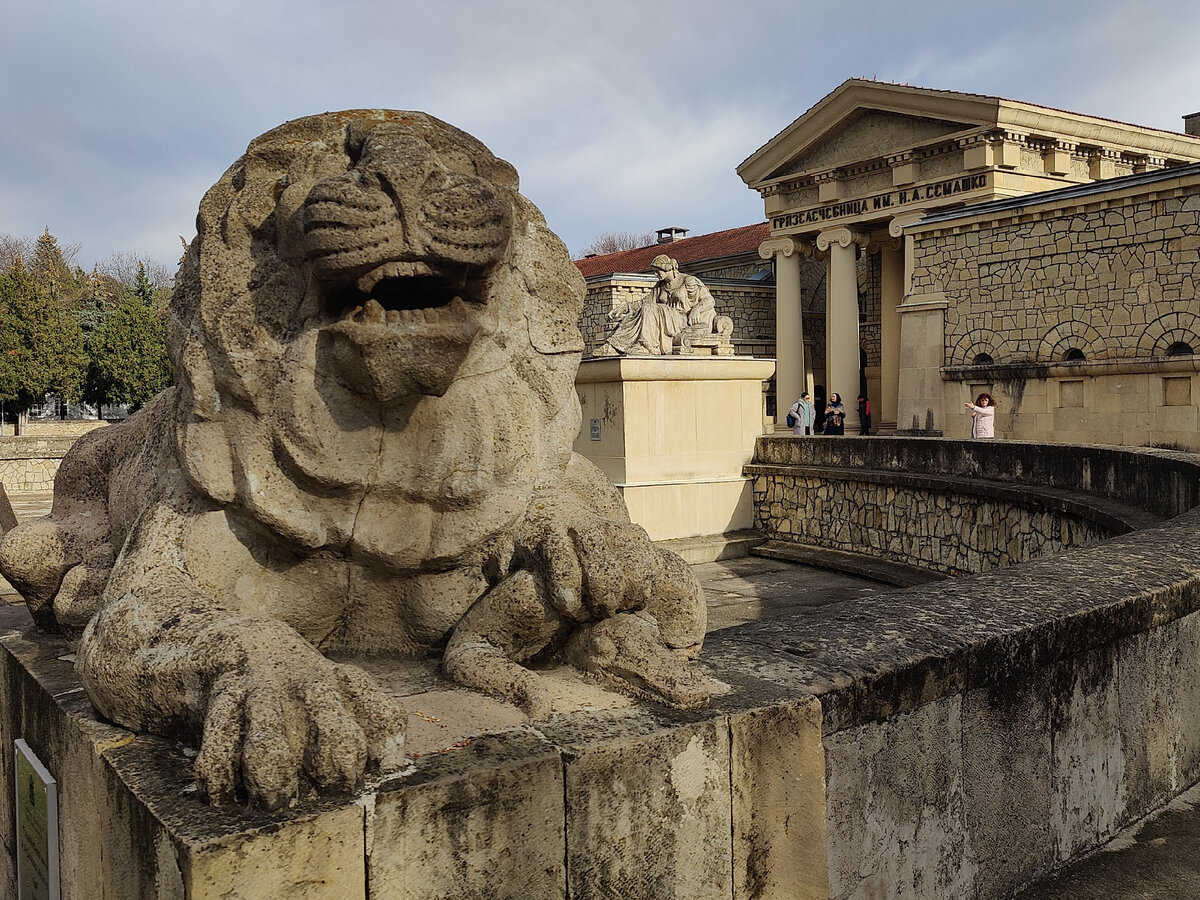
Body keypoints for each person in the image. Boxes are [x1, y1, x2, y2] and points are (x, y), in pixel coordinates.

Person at [598, 255, 717, 356]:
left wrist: (697, 309)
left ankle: (646, 346)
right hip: (666, 317)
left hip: (682, 319)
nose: (655, 274)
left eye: (657, 271)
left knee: (650, 308)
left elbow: (709, 300)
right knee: (633, 315)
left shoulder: (688, 281)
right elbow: (644, 302)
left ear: (666, 268)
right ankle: (614, 346)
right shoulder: (660, 286)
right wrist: (624, 308)